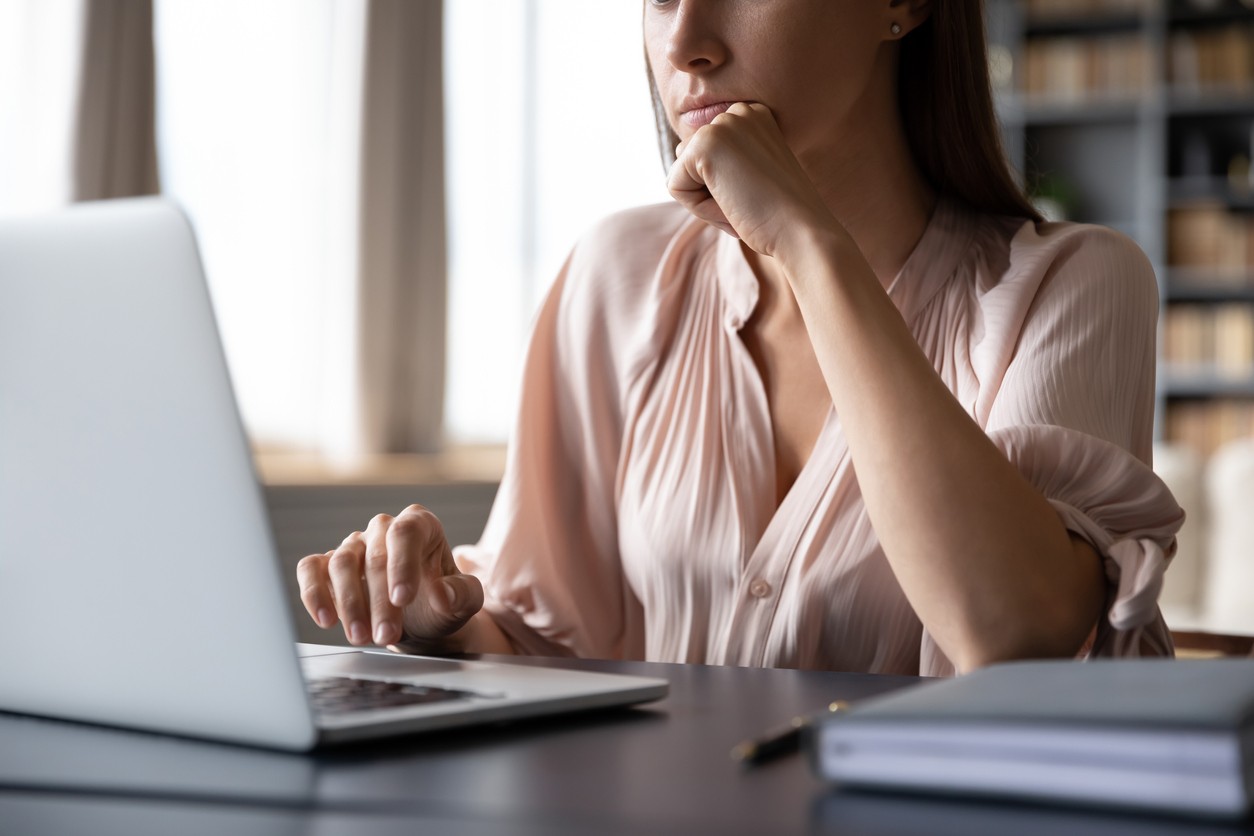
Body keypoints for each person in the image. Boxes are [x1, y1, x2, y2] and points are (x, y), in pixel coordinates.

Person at [296, 0, 1184, 677]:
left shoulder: (1077, 283)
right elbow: (546, 641)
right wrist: (432, 622)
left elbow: (1015, 632)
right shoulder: (617, 273)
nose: (684, 43)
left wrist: (808, 243)